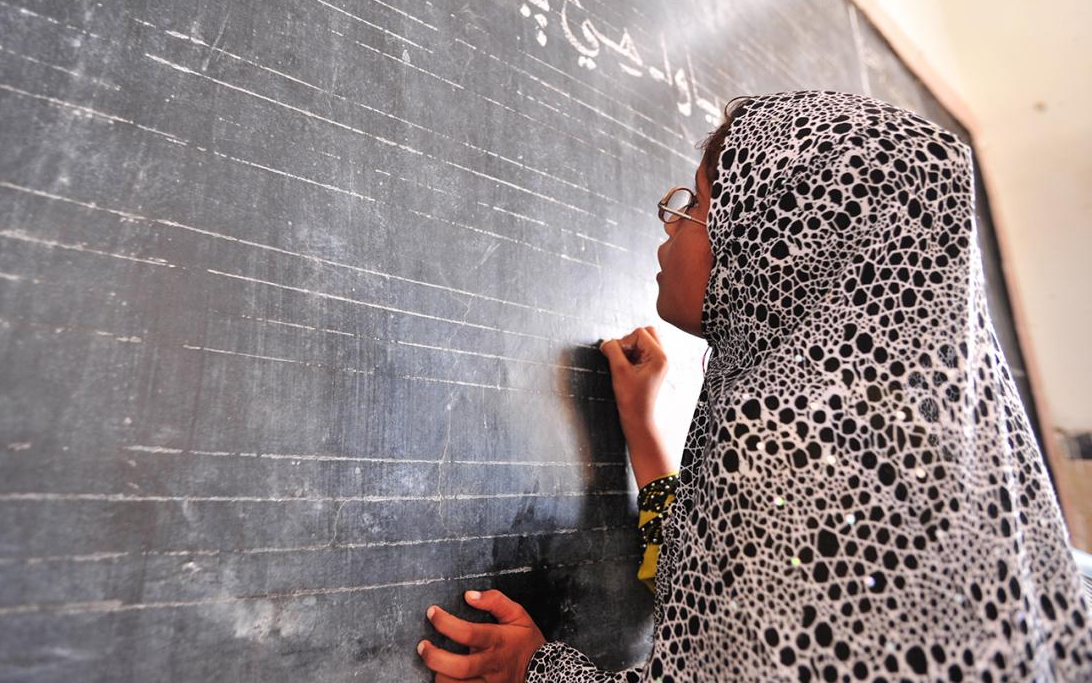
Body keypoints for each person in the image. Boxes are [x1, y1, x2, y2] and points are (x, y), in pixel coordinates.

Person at [416, 90, 1092, 682]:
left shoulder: (778, 433)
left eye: (699, 203)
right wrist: (645, 431)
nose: (670, 222)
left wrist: (539, 671)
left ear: (774, 241)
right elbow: (734, 587)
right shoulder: (939, 459)